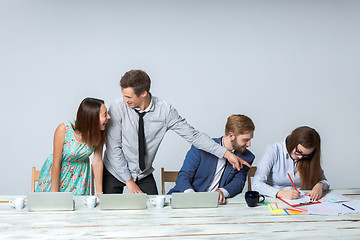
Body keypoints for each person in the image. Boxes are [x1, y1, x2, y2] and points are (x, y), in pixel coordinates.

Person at [103, 69, 251, 195]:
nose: (124, 100)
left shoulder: (165, 111)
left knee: (154, 216)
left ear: (143, 93)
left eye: (128, 96)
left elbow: (194, 136)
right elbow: (114, 148)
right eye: (123, 95)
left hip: (142, 174)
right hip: (114, 170)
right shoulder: (117, 108)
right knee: (109, 216)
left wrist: (226, 154)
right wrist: (129, 181)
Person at [168, 114, 255, 204]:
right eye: (245, 140)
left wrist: (222, 191)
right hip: (187, 200)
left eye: (250, 139)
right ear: (231, 136)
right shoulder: (202, 146)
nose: (249, 144)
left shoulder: (246, 157)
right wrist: (191, 194)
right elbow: (183, 176)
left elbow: (238, 183)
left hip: (217, 205)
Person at [36, 97, 111, 196]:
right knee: (50, 207)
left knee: (78, 208)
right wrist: (54, 194)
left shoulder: (99, 132)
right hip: (57, 175)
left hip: (79, 178)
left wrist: (100, 194)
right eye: (105, 114)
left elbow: (97, 161)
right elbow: (56, 162)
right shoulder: (63, 130)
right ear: (92, 118)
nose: (109, 117)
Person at [252, 126, 330, 201]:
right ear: (292, 142)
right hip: (273, 201)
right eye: (298, 152)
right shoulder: (273, 151)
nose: (300, 158)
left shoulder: (309, 157)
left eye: (306, 155)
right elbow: (256, 184)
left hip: (300, 201)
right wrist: (280, 193)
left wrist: (320, 186)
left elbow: (325, 181)